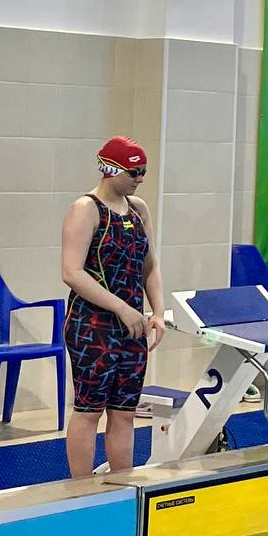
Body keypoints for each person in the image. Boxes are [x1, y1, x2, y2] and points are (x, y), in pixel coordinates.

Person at [61, 136, 165, 478]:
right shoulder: (85, 209)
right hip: (92, 325)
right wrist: (122, 308)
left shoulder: (139, 209)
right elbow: (71, 272)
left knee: (124, 412)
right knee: (89, 410)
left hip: (132, 326)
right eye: (134, 172)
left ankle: (123, 486)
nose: (140, 178)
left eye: (144, 171)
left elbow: (150, 265)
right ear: (109, 169)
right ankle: (80, 490)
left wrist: (158, 311)